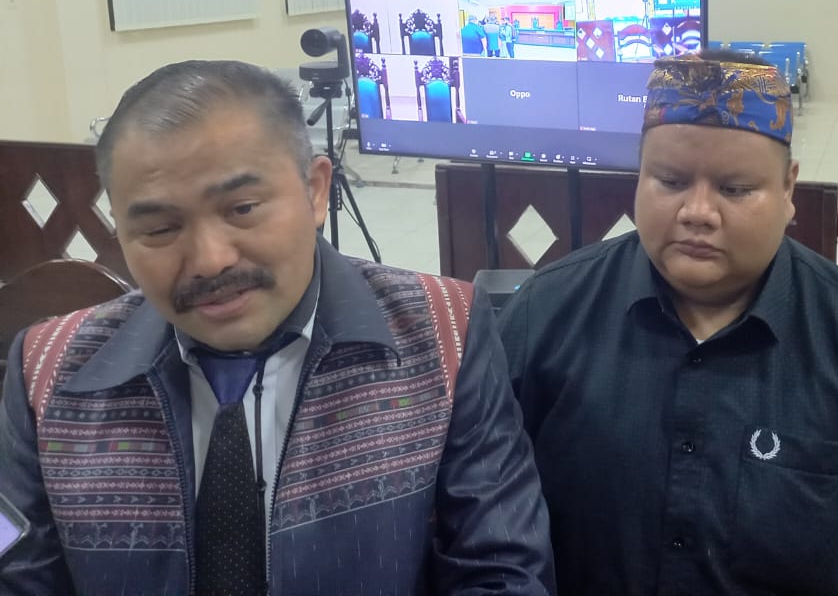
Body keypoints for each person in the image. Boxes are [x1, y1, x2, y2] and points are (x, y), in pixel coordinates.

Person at [0, 60, 554, 596]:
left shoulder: (443, 332)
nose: (210, 260)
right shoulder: (46, 371)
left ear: (315, 191)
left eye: (242, 208)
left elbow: (501, 568)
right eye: (161, 229)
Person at [497, 50, 838, 596]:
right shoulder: (544, 317)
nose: (697, 212)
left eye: (734, 189)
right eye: (670, 181)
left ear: (788, 189)